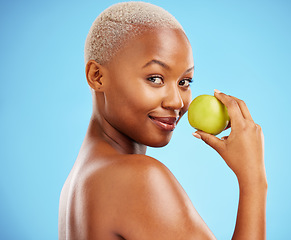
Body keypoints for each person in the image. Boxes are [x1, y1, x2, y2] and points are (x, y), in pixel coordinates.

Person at [58, 2, 267, 239]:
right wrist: (253, 179)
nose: (177, 102)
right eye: (155, 78)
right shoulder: (137, 178)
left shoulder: (80, 182)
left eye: (184, 82)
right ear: (97, 76)